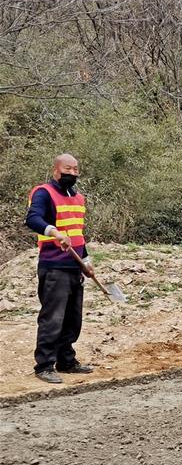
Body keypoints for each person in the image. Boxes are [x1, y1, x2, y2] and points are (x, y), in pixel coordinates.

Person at [25, 154, 95, 384]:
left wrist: (87, 260)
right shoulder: (44, 193)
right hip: (54, 266)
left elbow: (77, 233)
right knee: (52, 319)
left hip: (75, 266)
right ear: (56, 170)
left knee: (73, 319)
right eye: (68, 169)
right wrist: (53, 232)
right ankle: (44, 365)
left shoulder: (78, 198)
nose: (73, 173)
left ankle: (66, 360)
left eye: (76, 169)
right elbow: (32, 219)